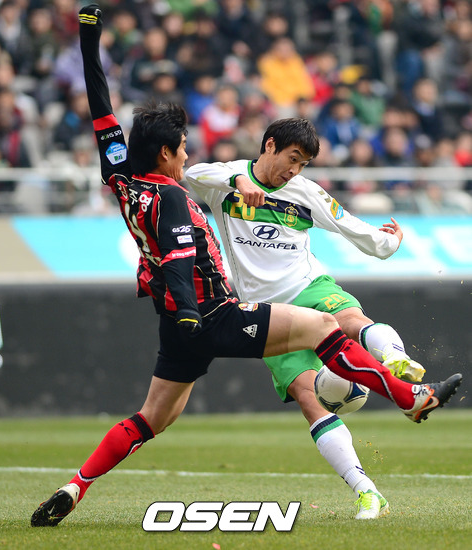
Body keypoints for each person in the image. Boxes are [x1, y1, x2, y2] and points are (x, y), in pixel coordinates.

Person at [30, 5, 462, 528]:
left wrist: (88, 38)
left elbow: (101, 108)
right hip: (212, 314)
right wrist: (191, 312)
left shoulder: (121, 174)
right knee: (324, 327)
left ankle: (76, 486)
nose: (186, 157)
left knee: (151, 419)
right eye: (182, 149)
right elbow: (178, 261)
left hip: (176, 329)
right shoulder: (171, 199)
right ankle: (410, 398)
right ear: (164, 153)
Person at [184, 116, 458, 517]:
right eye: (292, 158)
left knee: (351, 320)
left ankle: (397, 362)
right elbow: (191, 172)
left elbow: (353, 228)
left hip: (308, 285)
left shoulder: (306, 192)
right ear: (270, 145)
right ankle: (368, 493)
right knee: (310, 398)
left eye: (303, 164)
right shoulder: (226, 180)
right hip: (266, 311)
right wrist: (237, 181)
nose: (295, 170)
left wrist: (389, 242)